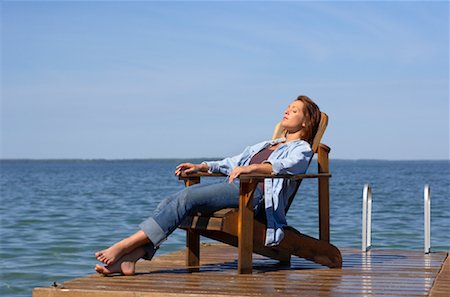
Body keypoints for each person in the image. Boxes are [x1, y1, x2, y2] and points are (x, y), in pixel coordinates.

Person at [95, 95, 321, 275]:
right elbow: (232, 163)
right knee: (169, 202)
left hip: (254, 197)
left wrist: (250, 169)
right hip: (235, 188)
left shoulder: (301, 149)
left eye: (294, 110)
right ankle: (131, 259)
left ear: (305, 121)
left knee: (186, 200)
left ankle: (124, 246)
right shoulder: (267, 144)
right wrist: (201, 167)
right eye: (287, 107)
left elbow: (285, 166)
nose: (286, 111)